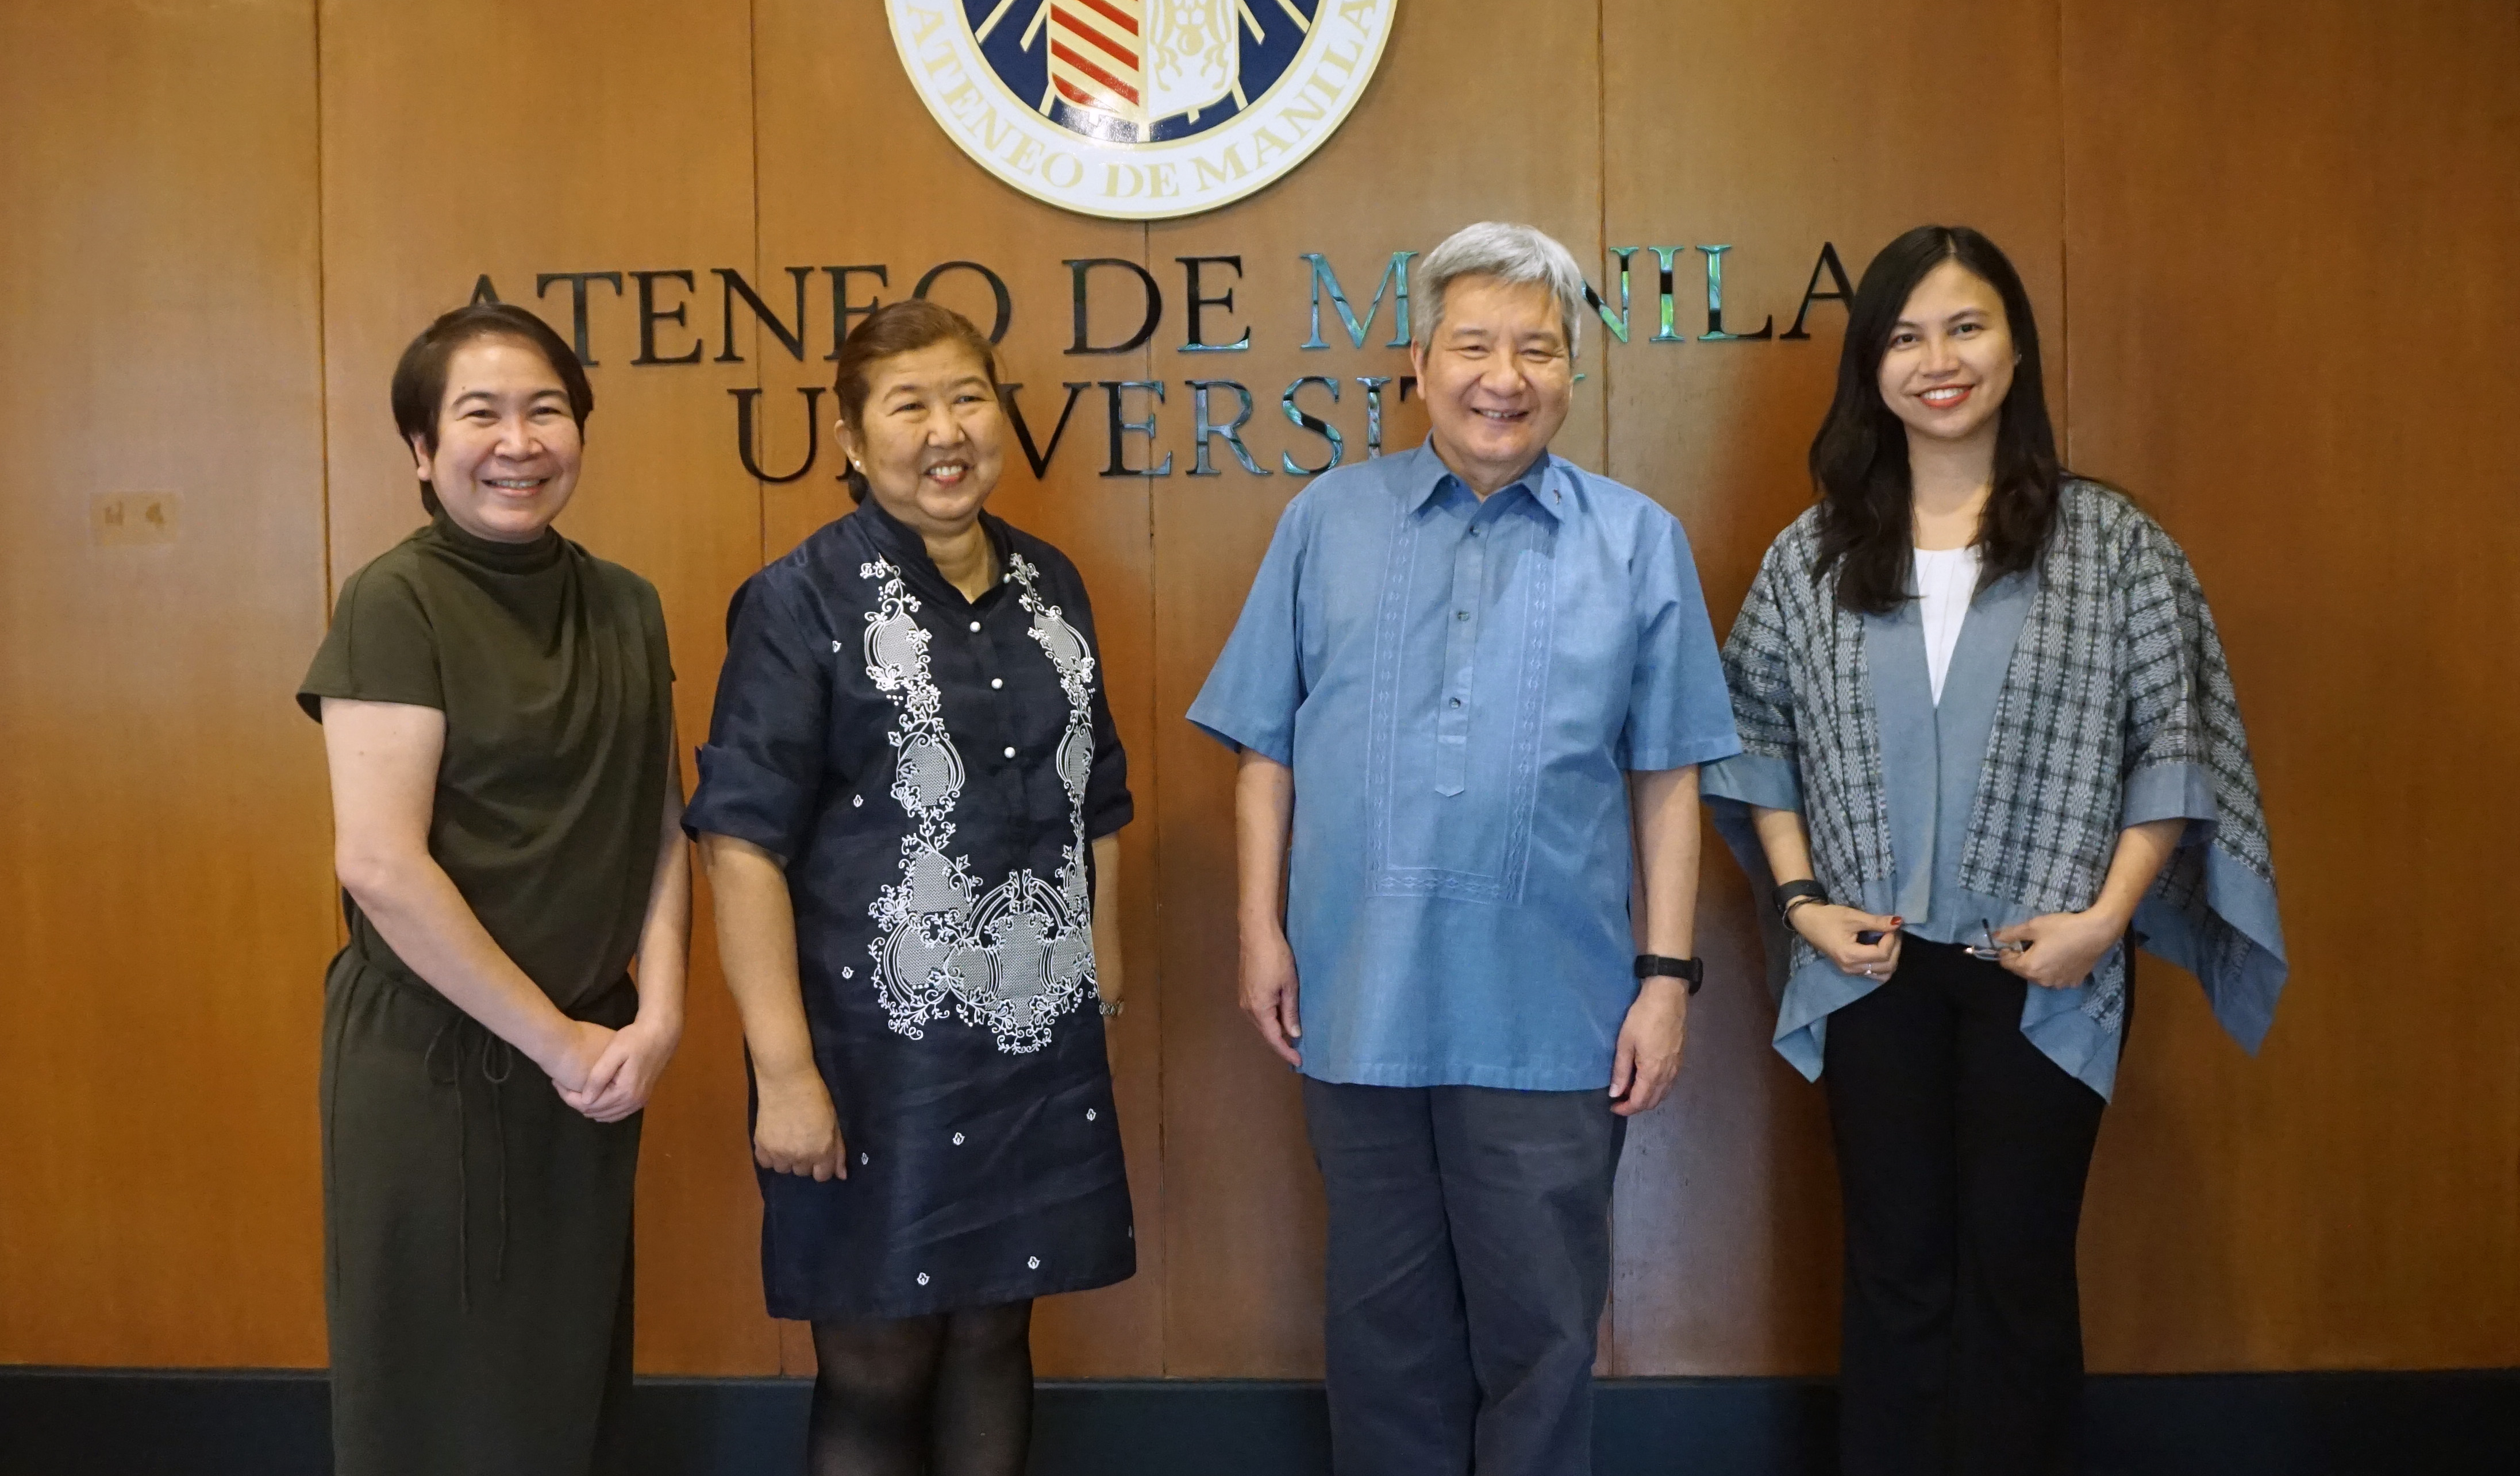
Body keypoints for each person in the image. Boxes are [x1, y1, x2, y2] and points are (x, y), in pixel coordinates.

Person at [1704, 225, 2287, 1475]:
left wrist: (2101, 921)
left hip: (2049, 968)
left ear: (2014, 347)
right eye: (1903, 337)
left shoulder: (2113, 544)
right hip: (1868, 964)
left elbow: (2172, 747)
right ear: (1871, 369)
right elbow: (1756, 741)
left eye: (1963, 326)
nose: (1936, 359)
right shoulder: (1809, 558)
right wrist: (1802, 902)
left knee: (2019, 1269)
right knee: (1893, 1268)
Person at [1187, 222, 1738, 1476]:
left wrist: (1665, 978)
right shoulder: (1327, 518)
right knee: (1382, 1331)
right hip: (1356, 991)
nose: (1505, 376)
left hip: (1553, 1009)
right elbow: (1262, 744)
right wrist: (1259, 928)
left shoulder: (1635, 539)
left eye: (1537, 348)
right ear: (1420, 361)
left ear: (1573, 371)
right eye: (1474, 344)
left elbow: (1668, 775)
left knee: (1541, 1332)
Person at [687, 299, 1136, 1476]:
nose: (946, 430)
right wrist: (783, 1074)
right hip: (863, 1051)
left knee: (997, 1326)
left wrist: (1109, 967)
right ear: (848, 437)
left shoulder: (1053, 583)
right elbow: (740, 842)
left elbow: (1102, 796)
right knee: (877, 1359)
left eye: (968, 397)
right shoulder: (799, 601)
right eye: (908, 405)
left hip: (1036, 1041)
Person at [300, 302, 690, 1476]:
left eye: (546, 410)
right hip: (433, 1058)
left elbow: (663, 820)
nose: (518, 439)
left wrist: (657, 1013)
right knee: (437, 1397)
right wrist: (557, 1040)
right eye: (480, 413)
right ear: (422, 449)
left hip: (594, 1054)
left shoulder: (625, 600)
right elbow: (379, 862)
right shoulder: (394, 600)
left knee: (562, 1389)